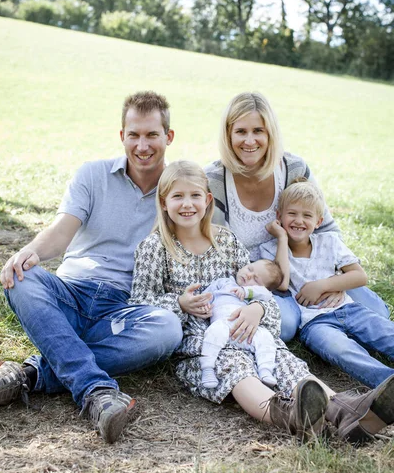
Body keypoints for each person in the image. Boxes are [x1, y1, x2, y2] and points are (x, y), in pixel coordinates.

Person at [130, 159, 394, 444]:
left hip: (248, 326)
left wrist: (257, 308)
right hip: (201, 339)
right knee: (235, 368)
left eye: (195, 195)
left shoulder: (226, 242)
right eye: (178, 196)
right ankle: (293, 417)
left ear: (207, 200)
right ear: (163, 201)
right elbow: (139, 303)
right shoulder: (154, 248)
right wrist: (179, 303)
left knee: (285, 361)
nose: (187, 204)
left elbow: (260, 290)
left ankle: (347, 412)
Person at [0, 91, 183, 444]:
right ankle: (96, 391)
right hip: (71, 291)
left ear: (168, 137)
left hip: (125, 307)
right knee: (23, 280)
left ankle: (32, 374)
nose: (142, 145)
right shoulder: (93, 175)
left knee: (169, 329)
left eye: (152, 135)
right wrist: (31, 251)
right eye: (134, 135)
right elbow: (61, 233)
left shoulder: (179, 191)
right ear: (122, 136)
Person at [205, 91, 389, 342]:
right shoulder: (215, 180)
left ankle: (327, 319)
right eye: (241, 132)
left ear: (270, 134)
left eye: (258, 131)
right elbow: (216, 250)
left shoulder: (293, 168)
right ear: (228, 134)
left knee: (378, 312)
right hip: (263, 282)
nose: (249, 141)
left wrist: (331, 282)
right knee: (286, 327)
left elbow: (327, 229)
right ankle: (317, 324)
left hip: (309, 271)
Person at [260, 180, 394, 390]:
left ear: (319, 221)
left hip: (350, 309)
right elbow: (283, 283)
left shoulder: (329, 242)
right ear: (279, 217)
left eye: (307, 215)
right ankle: (387, 382)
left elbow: (359, 276)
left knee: (386, 333)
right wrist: (282, 239)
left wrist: (323, 285)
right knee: (342, 350)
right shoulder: (270, 250)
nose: (298, 221)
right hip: (314, 324)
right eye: (291, 213)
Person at [200, 258, 283, 389]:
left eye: (256, 279)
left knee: (265, 337)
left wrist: (247, 291)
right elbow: (205, 295)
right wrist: (204, 305)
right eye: (250, 269)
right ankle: (207, 369)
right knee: (212, 333)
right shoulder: (224, 282)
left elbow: (267, 295)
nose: (249, 275)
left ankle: (265, 370)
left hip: (247, 331)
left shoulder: (254, 294)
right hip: (224, 324)